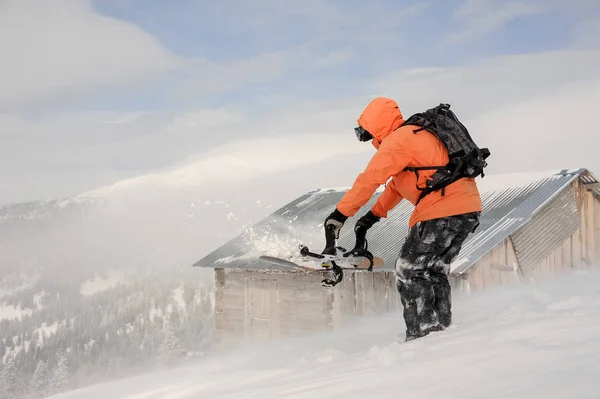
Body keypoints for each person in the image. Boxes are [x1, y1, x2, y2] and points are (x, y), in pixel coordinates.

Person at [324, 97, 482, 341]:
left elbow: (369, 179)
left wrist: (340, 214)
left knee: (409, 269)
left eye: (365, 133)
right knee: (433, 271)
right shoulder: (415, 138)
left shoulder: (400, 139)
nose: (366, 139)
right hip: (467, 209)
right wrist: (370, 217)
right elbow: (397, 187)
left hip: (442, 209)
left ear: (377, 126)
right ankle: (443, 331)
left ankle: (422, 335)